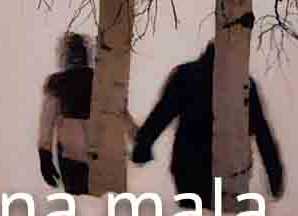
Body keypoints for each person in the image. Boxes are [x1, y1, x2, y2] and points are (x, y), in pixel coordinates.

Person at [132, 43, 286, 206]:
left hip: (188, 168)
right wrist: (274, 173)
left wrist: (142, 146)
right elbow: (262, 132)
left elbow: (161, 115)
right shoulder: (243, 84)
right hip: (231, 170)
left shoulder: (185, 75)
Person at [37, 32, 96, 195]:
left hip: (70, 154)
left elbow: (46, 123)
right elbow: (118, 113)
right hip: (100, 152)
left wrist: (45, 155)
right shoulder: (99, 81)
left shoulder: (57, 84)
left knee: (81, 206)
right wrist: (138, 136)